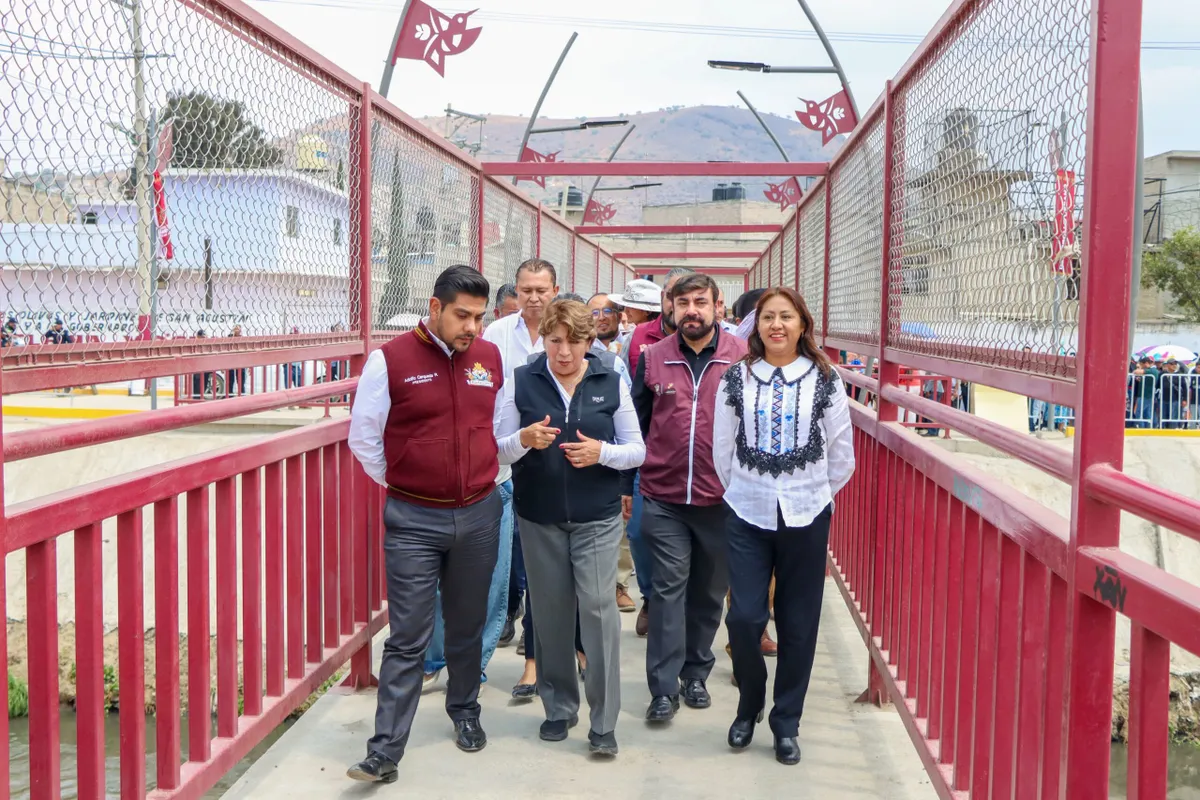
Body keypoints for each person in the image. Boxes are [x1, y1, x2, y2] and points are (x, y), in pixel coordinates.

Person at [345, 265, 503, 784]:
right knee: (408, 635)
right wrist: (409, 482)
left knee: (466, 624)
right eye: (462, 315)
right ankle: (385, 751)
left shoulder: (489, 358)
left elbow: (496, 429)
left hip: (479, 513)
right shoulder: (389, 360)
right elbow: (364, 439)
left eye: (479, 317)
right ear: (434, 308)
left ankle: (465, 710)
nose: (472, 328)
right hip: (413, 519)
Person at [496, 299, 645, 757]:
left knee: (598, 610)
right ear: (543, 338)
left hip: (596, 517)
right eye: (555, 340)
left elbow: (636, 450)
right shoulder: (520, 381)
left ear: (590, 341)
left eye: (575, 341)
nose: (564, 352)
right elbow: (497, 450)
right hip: (538, 515)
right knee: (551, 611)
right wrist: (523, 440)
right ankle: (559, 709)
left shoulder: (609, 379)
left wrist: (602, 453)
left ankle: (604, 722)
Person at [713, 286, 854, 765]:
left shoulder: (826, 379)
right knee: (745, 617)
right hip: (748, 512)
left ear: (802, 325)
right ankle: (749, 704)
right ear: (755, 326)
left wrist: (812, 494)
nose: (776, 325)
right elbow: (722, 449)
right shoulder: (737, 377)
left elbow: (841, 455)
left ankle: (786, 721)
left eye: (786, 317)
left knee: (798, 623)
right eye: (767, 317)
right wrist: (744, 491)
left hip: (806, 514)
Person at [629, 272, 747, 722]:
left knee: (708, 592)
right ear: (670, 308)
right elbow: (636, 423)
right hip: (663, 494)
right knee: (666, 590)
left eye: (701, 301)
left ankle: (696, 672)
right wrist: (631, 486)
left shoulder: (741, 357)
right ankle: (662, 689)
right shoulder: (652, 356)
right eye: (684, 303)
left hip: (722, 498)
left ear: (719, 306)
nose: (692, 310)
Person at [482, 258, 559, 697]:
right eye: (526, 289)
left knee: (545, 569)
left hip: (552, 458)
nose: (533, 297)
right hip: (506, 460)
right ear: (515, 290)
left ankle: (539, 657)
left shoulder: (565, 335)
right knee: (509, 567)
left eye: (541, 289)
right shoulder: (496, 335)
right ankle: (503, 630)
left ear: (555, 289)